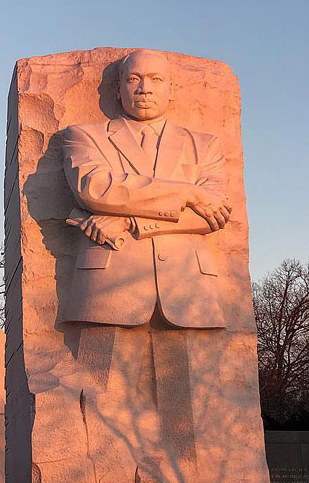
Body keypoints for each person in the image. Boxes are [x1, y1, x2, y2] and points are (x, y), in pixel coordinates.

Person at [62, 49, 232, 328]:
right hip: (108, 287)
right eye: (133, 79)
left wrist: (130, 221)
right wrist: (190, 193)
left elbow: (214, 214)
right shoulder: (84, 136)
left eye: (155, 79)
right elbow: (96, 188)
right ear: (118, 90)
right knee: (101, 373)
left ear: (171, 89)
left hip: (189, 289)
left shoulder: (204, 145)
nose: (144, 89)